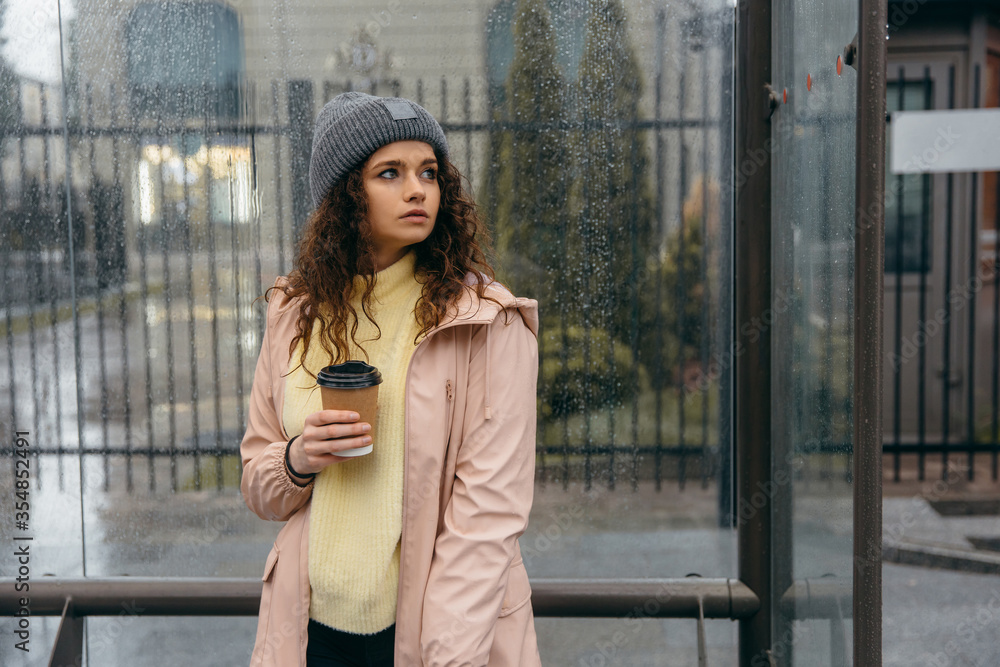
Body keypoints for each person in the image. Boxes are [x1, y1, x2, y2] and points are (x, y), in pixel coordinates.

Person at [239, 91, 542, 666]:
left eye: (429, 172)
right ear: (346, 195)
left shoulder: (484, 323)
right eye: (390, 173)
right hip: (307, 634)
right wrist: (299, 459)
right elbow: (258, 481)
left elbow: (487, 518)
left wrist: (446, 659)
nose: (417, 189)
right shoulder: (295, 312)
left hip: (431, 638)